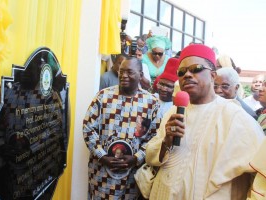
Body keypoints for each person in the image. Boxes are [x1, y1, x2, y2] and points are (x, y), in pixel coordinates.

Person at [146, 44, 265, 199]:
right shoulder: (173, 112)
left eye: (196, 68)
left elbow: (259, 170)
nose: (187, 75)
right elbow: (151, 155)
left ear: (213, 75)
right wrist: (165, 143)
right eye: (181, 72)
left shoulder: (235, 117)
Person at [83, 57, 160, 199]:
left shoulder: (151, 103)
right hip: (102, 173)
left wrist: (136, 158)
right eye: (121, 71)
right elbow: (88, 128)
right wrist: (102, 156)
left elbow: (155, 137)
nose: (124, 75)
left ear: (141, 75)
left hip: (132, 175)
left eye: (130, 72)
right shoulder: (103, 96)